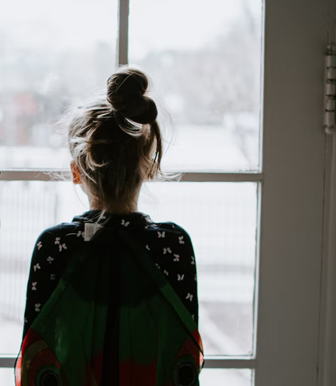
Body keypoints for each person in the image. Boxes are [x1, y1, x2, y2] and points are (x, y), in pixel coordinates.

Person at [16, 67, 202, 386]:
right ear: (148, 165)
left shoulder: (54, 245)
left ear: (77, 171)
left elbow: (37, 353)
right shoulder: (173, 245)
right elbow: (182, 356)